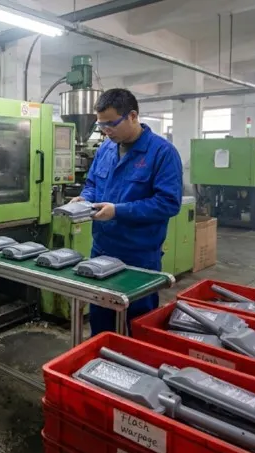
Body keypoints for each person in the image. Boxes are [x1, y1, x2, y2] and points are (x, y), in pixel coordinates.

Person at [72, 88, 183, 335]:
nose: (105, 131)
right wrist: (84, 199)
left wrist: (118, 211)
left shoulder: (162, 153)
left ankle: (134, 370)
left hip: (139, 256)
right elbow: (92, 185)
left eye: (111, 123)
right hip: (101, 250)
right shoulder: (105, 150)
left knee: (138, 324)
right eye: (101, 124)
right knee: (101, 322)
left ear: (132, 116)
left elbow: (168, 203)